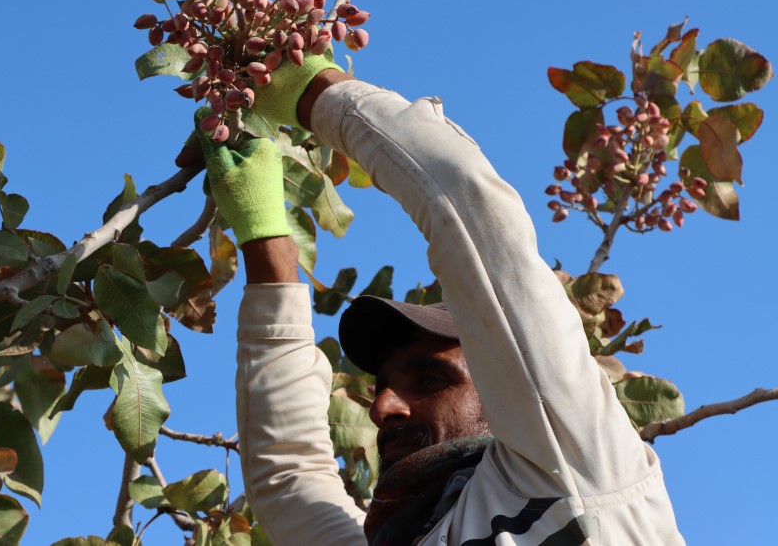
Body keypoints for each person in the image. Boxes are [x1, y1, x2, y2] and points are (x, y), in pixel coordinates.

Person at [181, 54, 685, 545]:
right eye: (383, 387)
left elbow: (474, 217)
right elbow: (288, 477)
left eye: (429, 380)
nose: (383, 408)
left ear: (502, 389)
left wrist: (317, 92)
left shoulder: (578, 462)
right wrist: (265, 236)